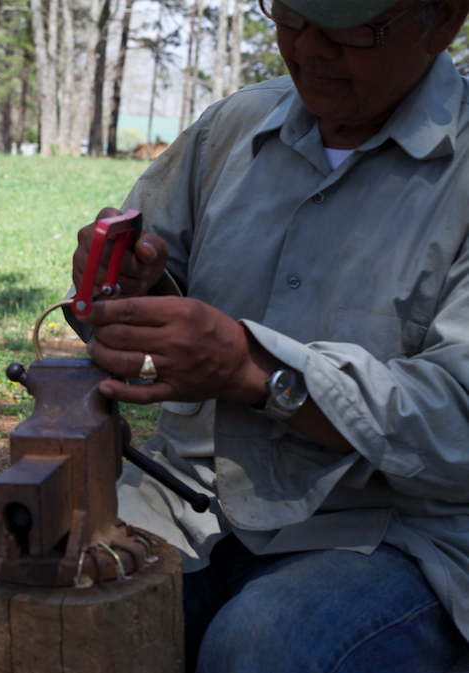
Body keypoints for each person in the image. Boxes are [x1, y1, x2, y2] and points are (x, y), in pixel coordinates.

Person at [69, 0, 469, 670]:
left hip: (393, 531)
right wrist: (122, 292)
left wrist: (256, 372)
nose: (309, 47)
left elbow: (458, 416)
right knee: (63, 606)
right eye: (290, 16)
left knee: (263, 642)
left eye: (348, 29)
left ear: (444, 23)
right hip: (188, 504)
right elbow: (148, 285)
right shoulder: (234, 126)